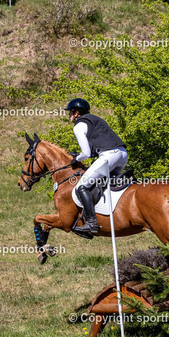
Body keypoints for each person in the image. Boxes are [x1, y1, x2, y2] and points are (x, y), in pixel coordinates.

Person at [65, 98, 128, 235]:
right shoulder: (95, 120)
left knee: (82, 186)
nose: (69, 115)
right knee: (103, 183)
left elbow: (86, 153)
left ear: (76, 113)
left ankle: (91, 223)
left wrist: (75, 158)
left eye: (70, 112)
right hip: (122, 154)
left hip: (109, 156)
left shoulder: (79, 126)